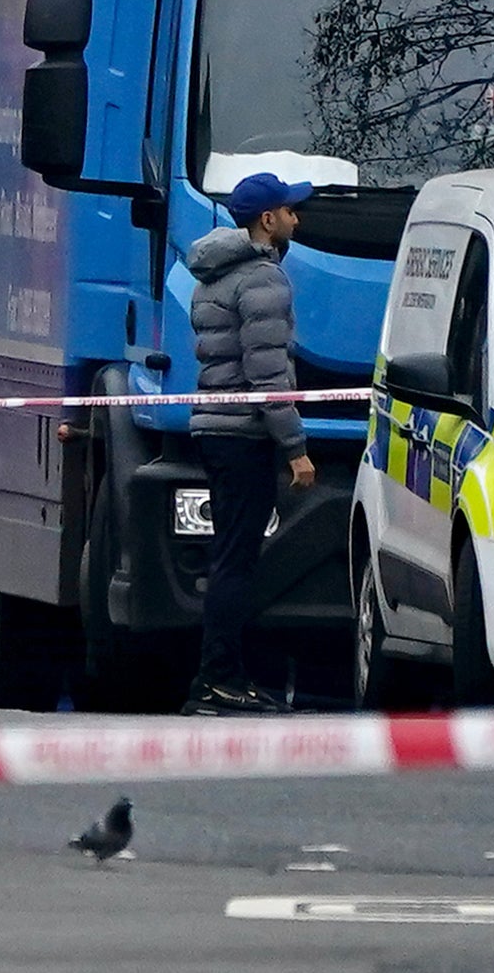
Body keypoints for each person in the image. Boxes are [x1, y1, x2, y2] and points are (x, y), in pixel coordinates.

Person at [182, 170, 318, 716]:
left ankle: (216, 678)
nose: (295, 218)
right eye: (289, 211)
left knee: (228, 555)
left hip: (214, 427)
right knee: (236, 561)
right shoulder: (262, 278)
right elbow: (268, 375)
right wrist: (295, 447)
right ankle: (219, 680)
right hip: (244, 436)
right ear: (268, 220)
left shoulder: (216, 272)